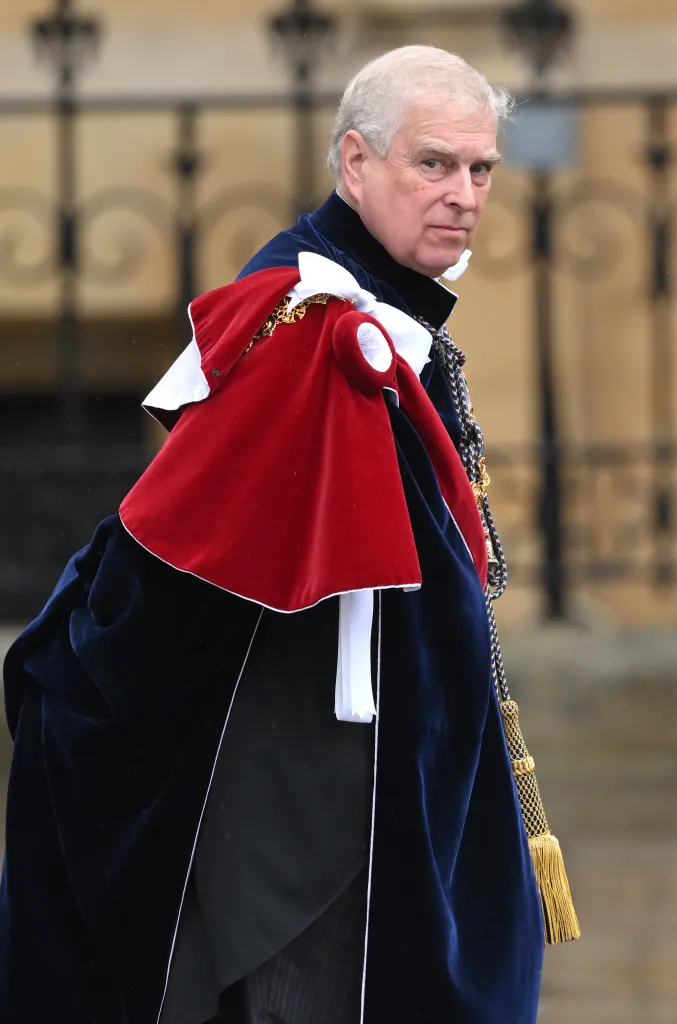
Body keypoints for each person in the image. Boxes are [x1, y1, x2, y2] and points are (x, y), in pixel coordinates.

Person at [0, 45, 578, 1024]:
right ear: (354, 163)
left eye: (479, 169)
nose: (464, 194)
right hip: (310, 824)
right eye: (432, 164)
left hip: (380, 783)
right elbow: (178, 561)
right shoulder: (313, 320)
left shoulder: (386, 311)